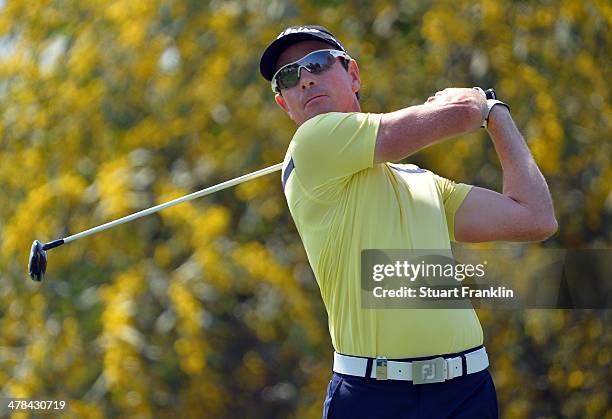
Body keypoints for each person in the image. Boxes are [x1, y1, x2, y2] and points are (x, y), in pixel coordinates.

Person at [259, 25, 557, 419]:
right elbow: (462, 113)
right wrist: (478, 102)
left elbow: (535, 217)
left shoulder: (419, 180)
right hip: (375, 397)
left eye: (316, 62)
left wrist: (497, 114)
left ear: (353, 75)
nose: (306, 78)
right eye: (289, 76)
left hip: (467, 391)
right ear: (285, 104)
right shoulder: (312, 142)